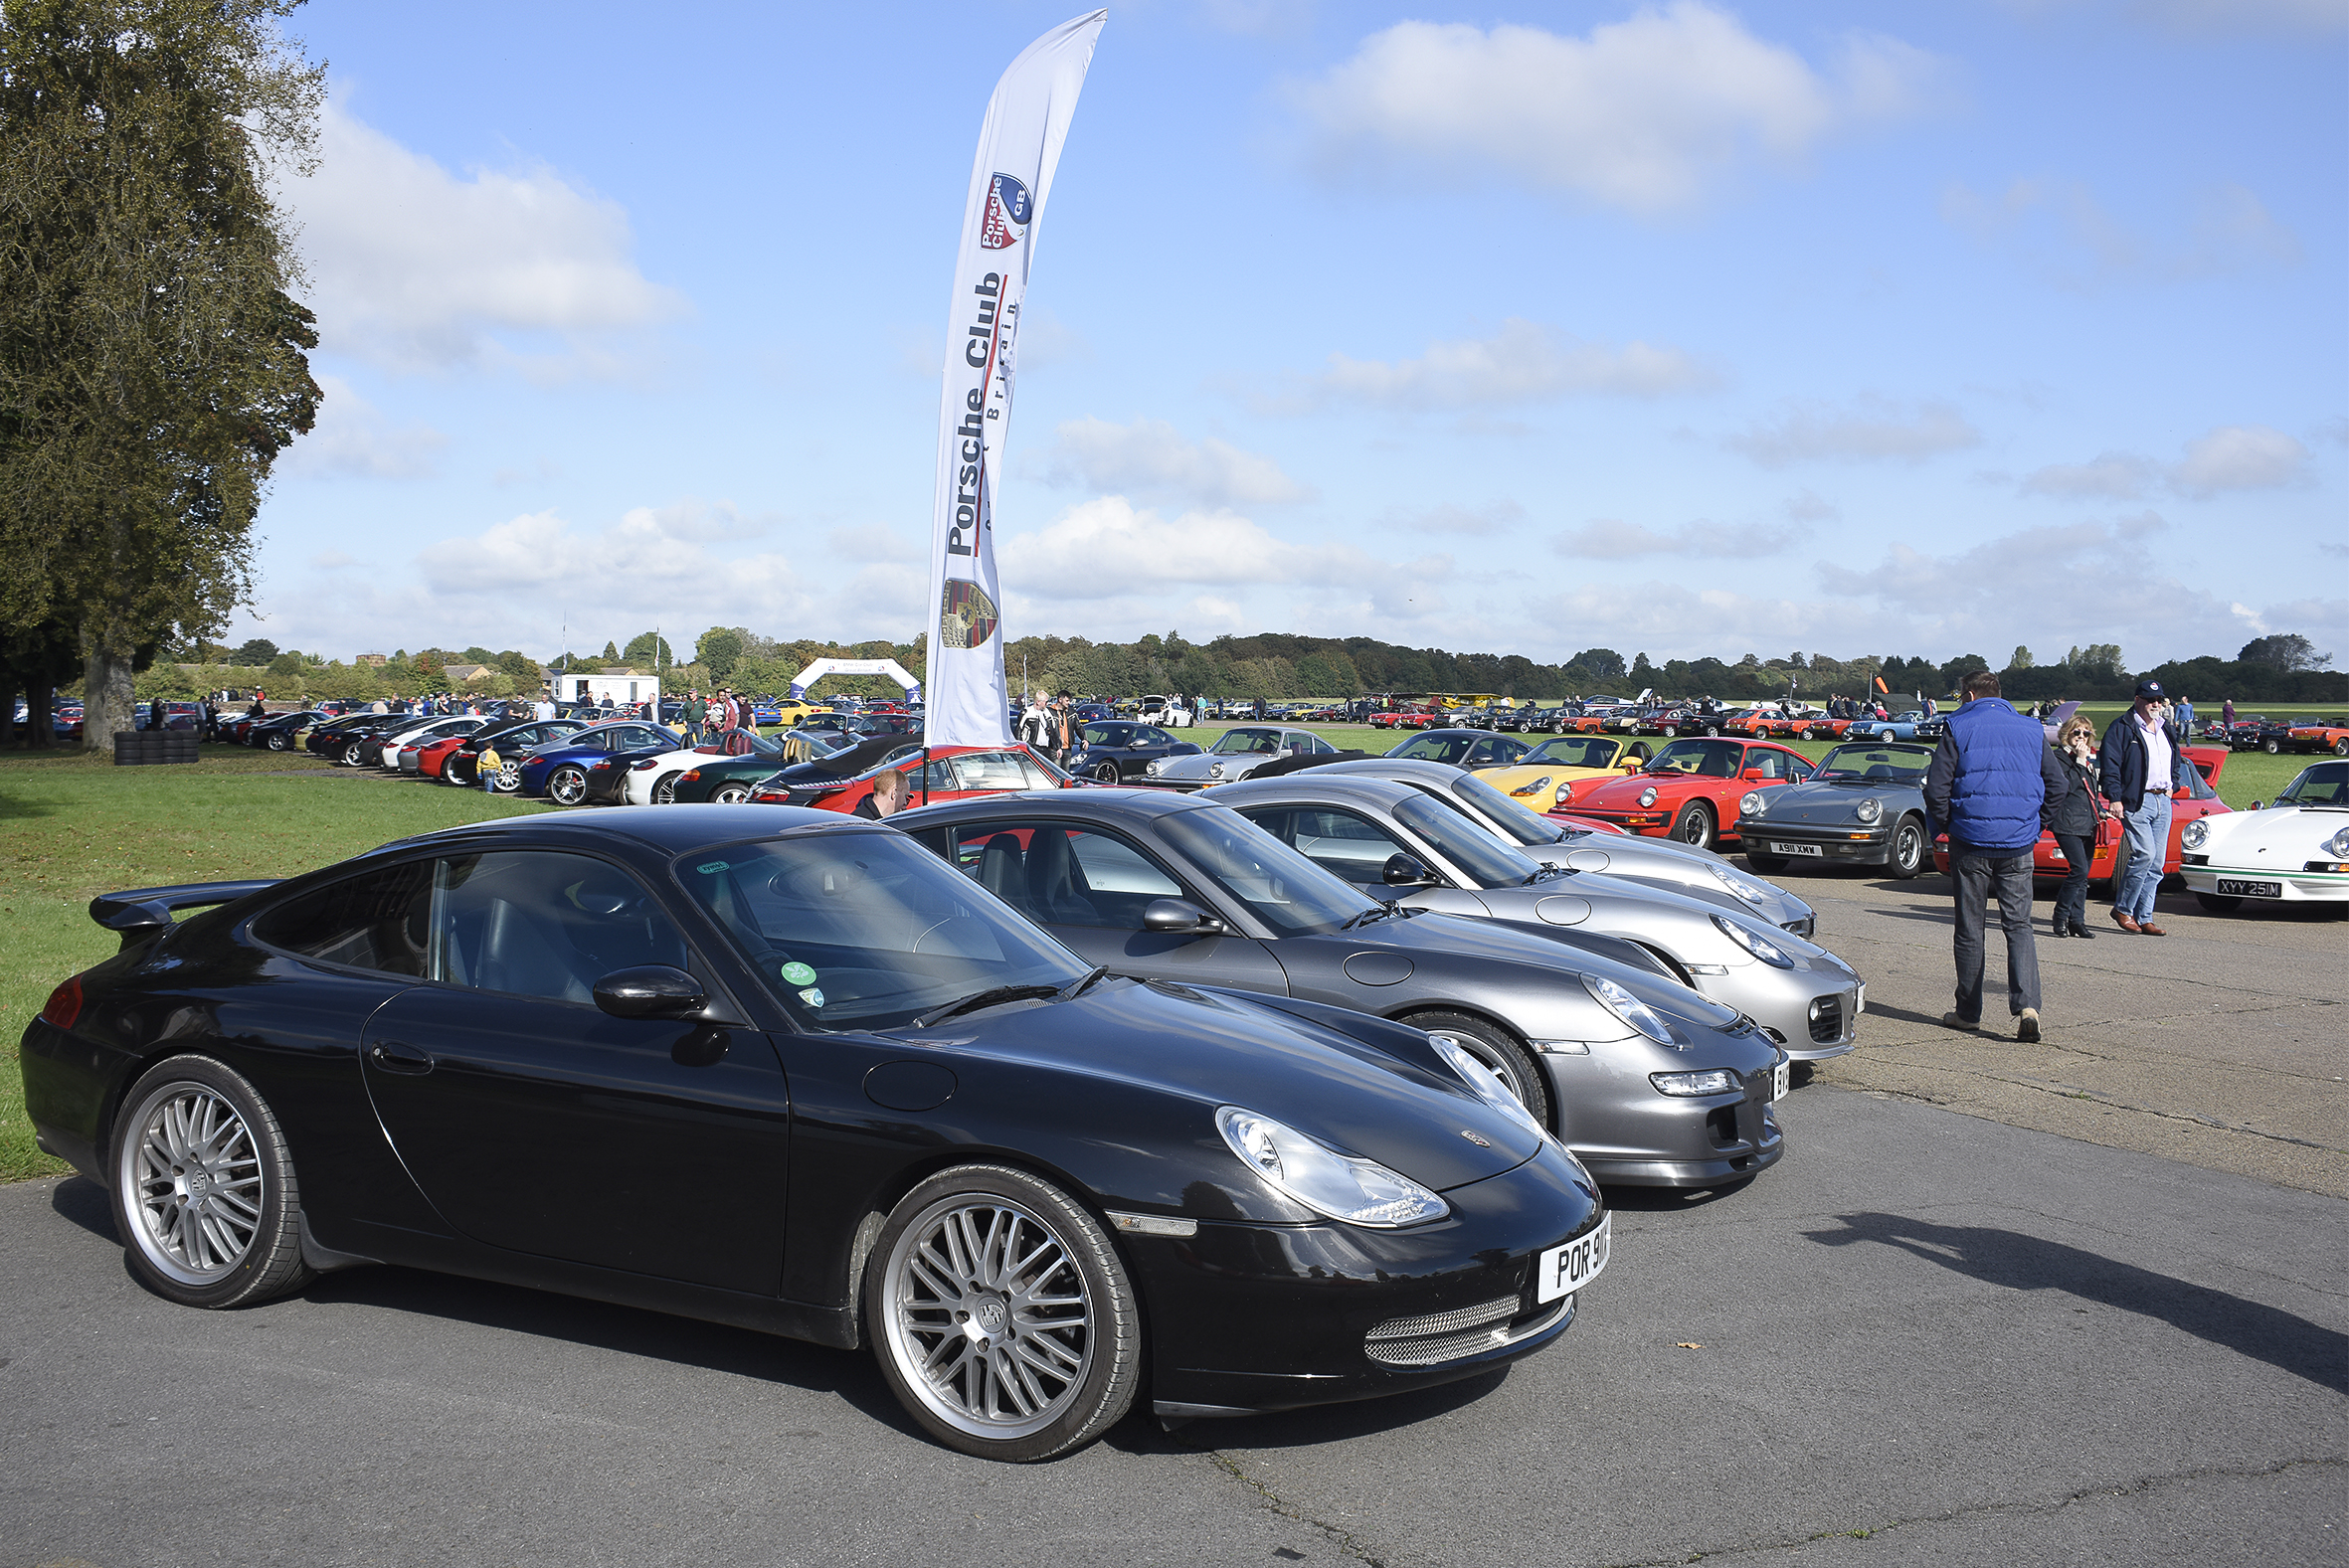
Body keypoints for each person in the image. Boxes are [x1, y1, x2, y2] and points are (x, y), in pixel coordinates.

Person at [1923, 669, 2068, 1041]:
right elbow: (2058, 784)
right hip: (2018, 841)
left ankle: (1969, 1012)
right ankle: (2028, 1007)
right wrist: (2036, 825)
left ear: (1969, 695)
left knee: (1971, 928)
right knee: (2018, 925)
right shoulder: (2032, 729)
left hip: (1970, 840)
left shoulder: (1957, 727)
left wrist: (1947, 826)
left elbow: (1936, 787)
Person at [2097, 678, 2192, 936]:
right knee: (2145, 855)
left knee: (2157, 863)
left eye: (2159, 700)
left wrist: (2173, 783)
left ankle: (2145, 916)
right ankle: (2123, 909)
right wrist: (2115, 798)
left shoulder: (2165, 727)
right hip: (2138, 800)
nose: (2155, 704)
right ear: (2137, 700)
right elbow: (2111, 766)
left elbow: (2176, 758)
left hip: (2164, 800)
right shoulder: (2122, 727)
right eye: (2150, 700)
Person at [2047, 716, 2105, 941]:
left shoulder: (2087, 761)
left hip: (2087, 822)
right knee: (2078, 870)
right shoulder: (2058, 757)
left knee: (2083, 876)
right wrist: (2080, 762)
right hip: (2067, 822)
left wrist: (2100, 810)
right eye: (2076, 733)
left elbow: (2090, 791)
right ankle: (2060, 916)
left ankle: (2077, 920)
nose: (2081, 737)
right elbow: (2067, 787)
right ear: (2066, 734)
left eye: (2086, 733)